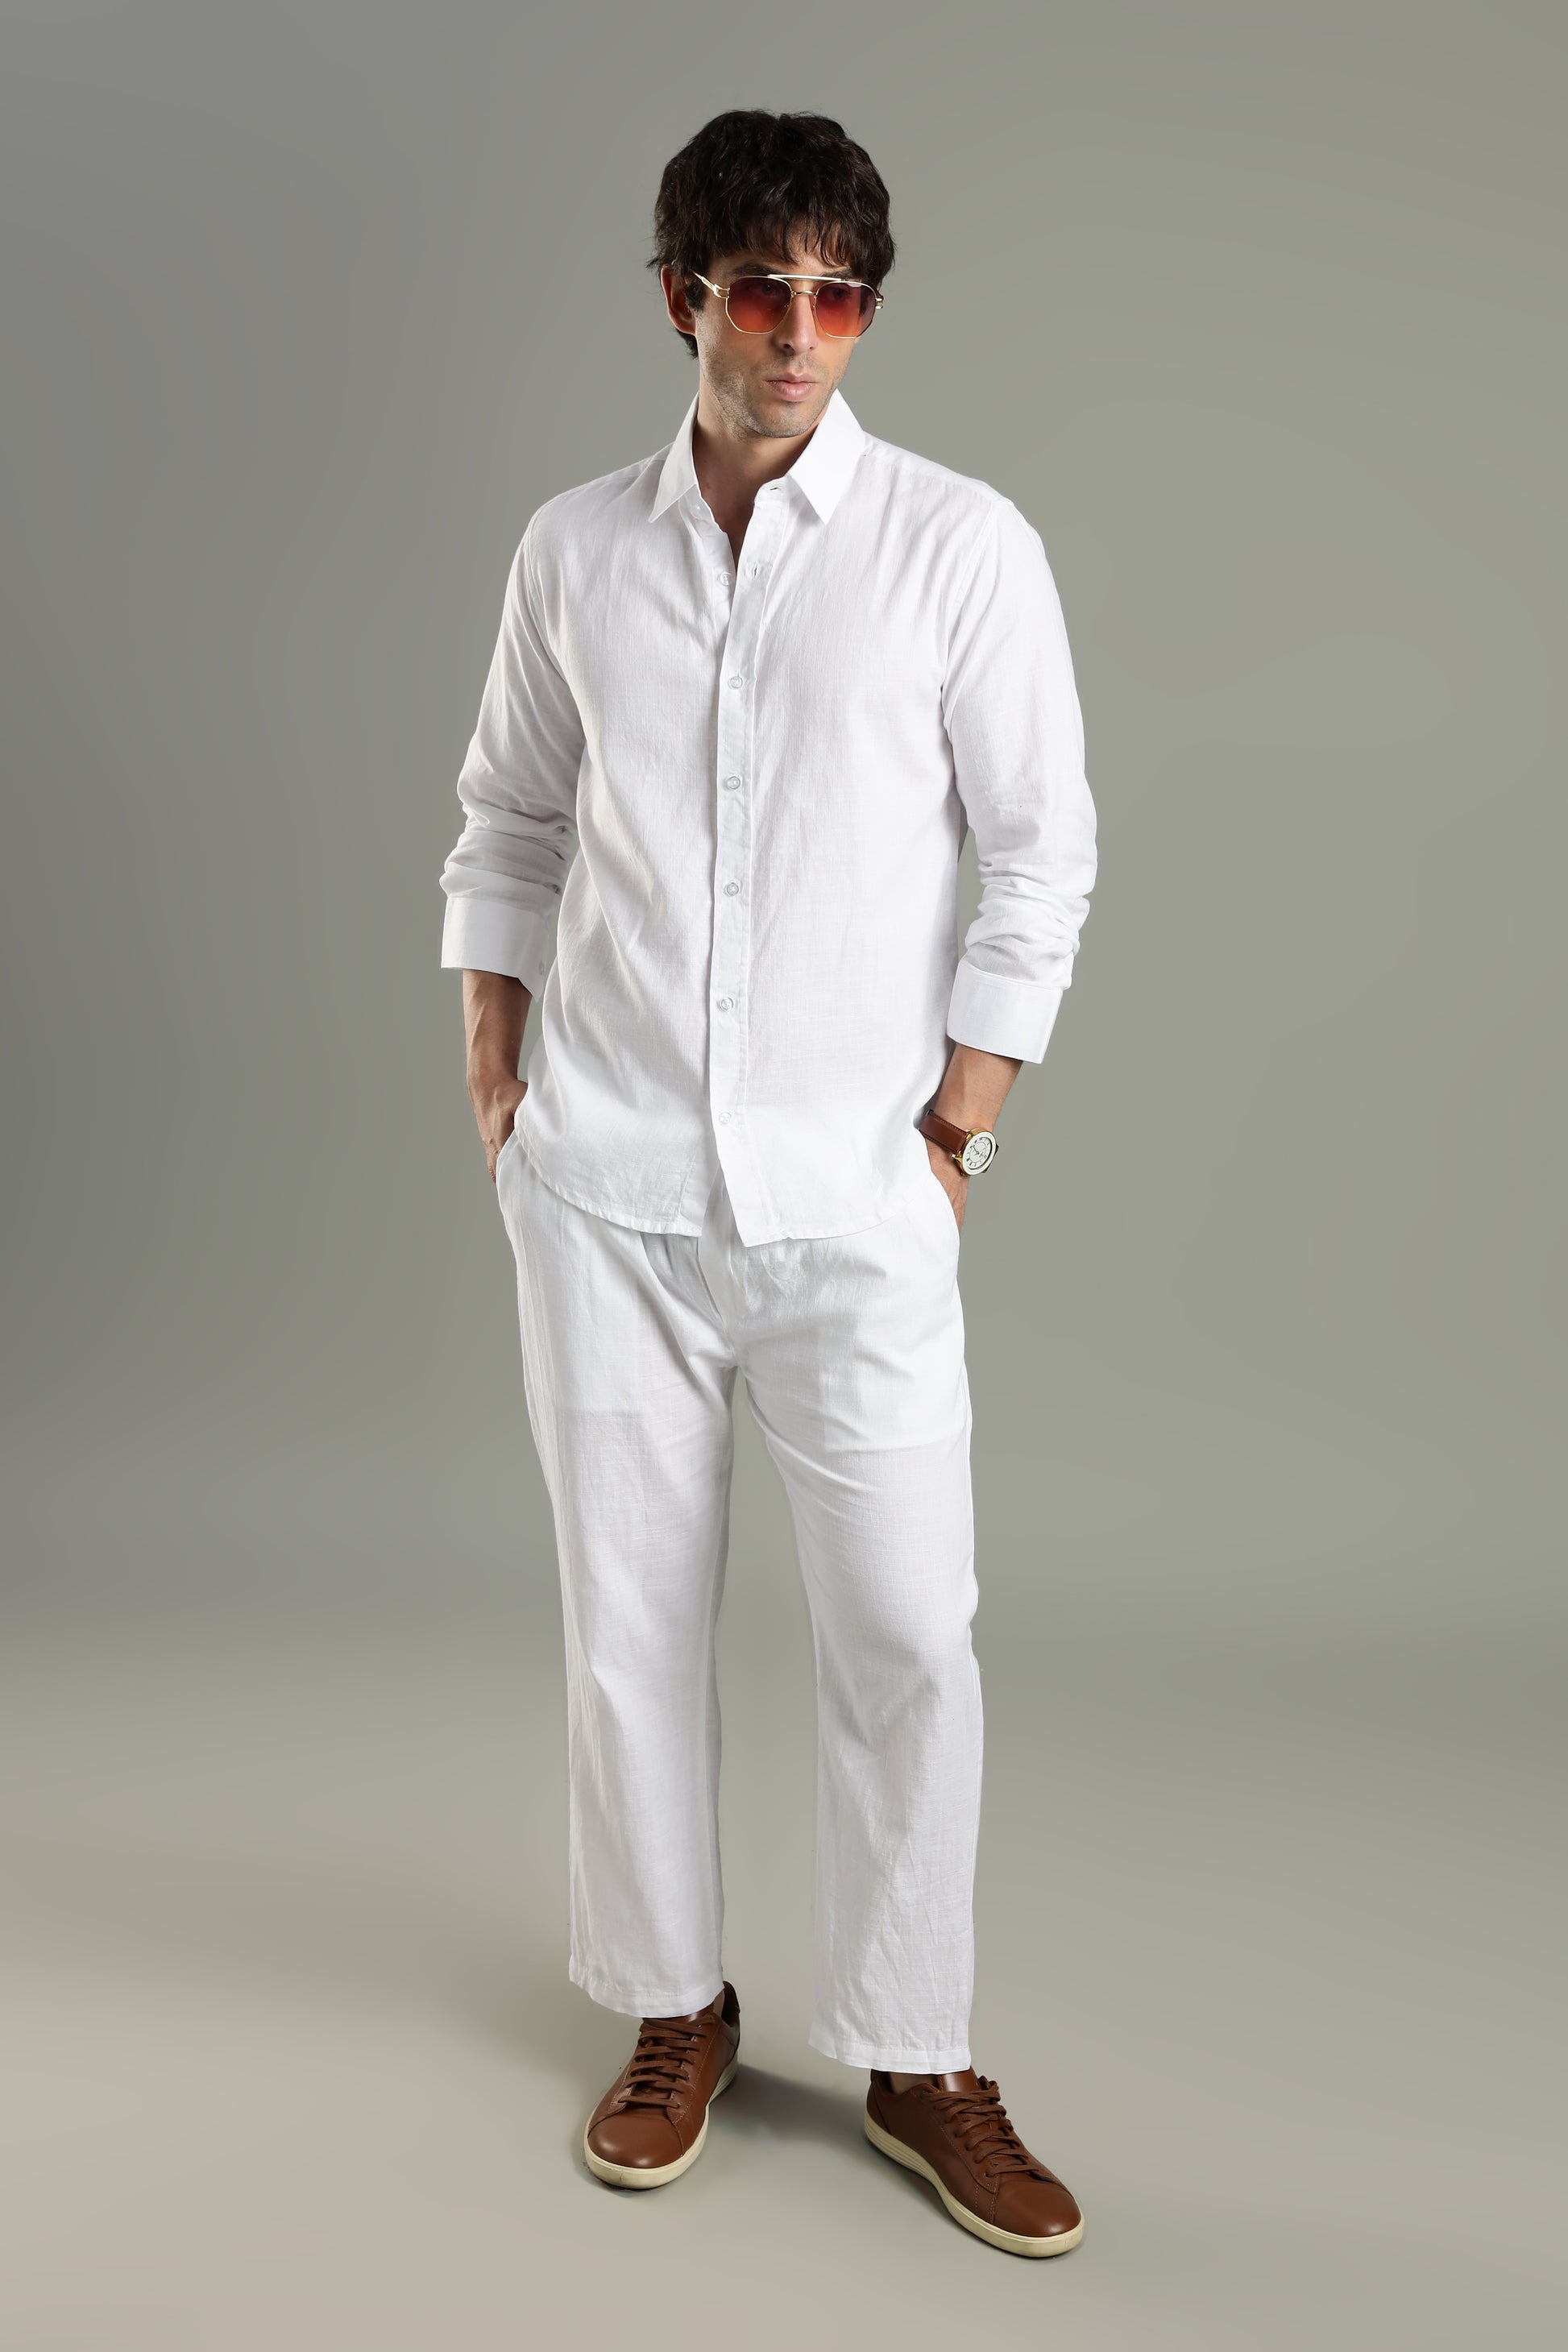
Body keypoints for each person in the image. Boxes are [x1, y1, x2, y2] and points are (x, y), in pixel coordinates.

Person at [439, 107, 1097, 2259]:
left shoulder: (955, 546)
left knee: (908, 1630)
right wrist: (498, 1078)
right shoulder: (574, 553)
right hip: (606, 1192)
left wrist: (958, 1126)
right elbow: (510, 816)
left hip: (855, 1204)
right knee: (627, 1626)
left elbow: (1041, 854)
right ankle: (671, 2005)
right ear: (681, 300)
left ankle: (916, 2050)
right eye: (759, 291)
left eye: (840, 297)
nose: (800, 335)